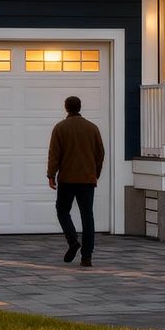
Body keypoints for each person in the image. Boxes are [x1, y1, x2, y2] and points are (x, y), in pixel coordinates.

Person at [47, 95, 104, 267]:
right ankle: (87, 257)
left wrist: (51, 175)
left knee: (62, 210)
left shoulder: (60, 128)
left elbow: (54, 154)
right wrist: (95, 174)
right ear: (80, 107)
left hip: (67, 179)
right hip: (87, 179)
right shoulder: (92, 128)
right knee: (87, 216)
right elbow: (100, 154)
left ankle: (72, 241)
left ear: (66, 108)